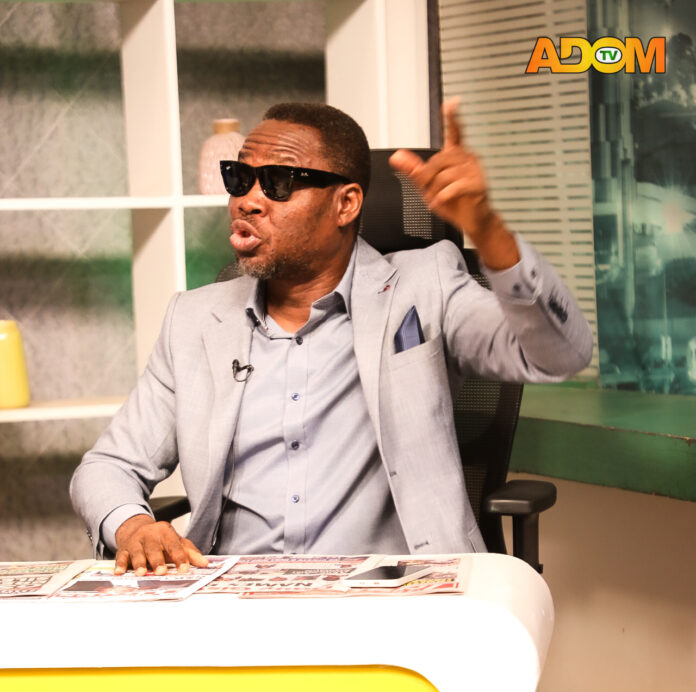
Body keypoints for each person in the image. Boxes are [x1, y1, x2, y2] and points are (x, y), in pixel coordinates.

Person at [70, 99, 592, 575]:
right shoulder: (194, 320)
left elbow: (559, 354)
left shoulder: (424, 286)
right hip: (238, 600)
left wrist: (487, 228)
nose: (247, 201)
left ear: (346, 204)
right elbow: (107, 466)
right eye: (240, 178)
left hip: (392, 598)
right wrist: (133, 525)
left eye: (278, 182)